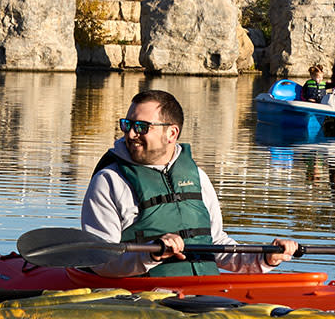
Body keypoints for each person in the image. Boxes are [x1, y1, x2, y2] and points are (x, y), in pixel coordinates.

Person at [80, 89, 297, 277]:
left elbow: (217, 244)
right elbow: (101, 261)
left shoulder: (198, 177)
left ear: (171, 133)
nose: (131, 133)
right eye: (127, 124)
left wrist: (265, 257)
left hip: (202, 293)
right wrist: (151, 253)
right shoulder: (109, 182)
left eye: (141, 127)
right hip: (142, 299)